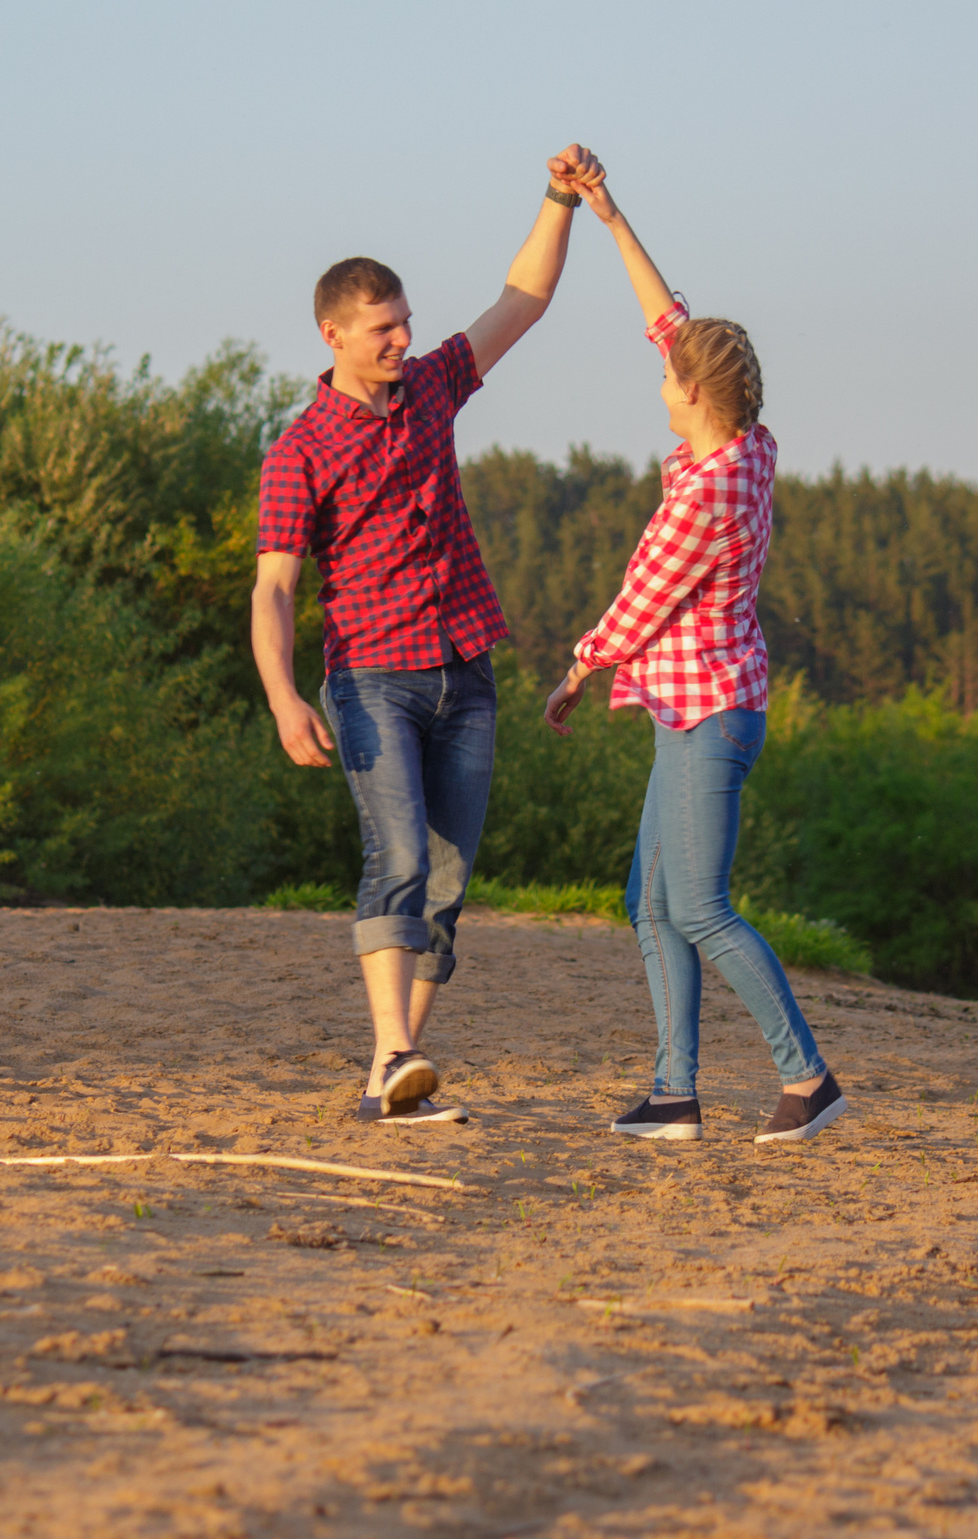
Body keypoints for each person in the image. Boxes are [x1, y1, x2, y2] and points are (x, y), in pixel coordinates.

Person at [254, 146, 601, 1125]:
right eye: (382, 328)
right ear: (333, 335)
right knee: (398, 856)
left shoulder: (435, 389)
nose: (404, 337)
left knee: (445, 887)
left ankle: (393, 1081)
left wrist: (557, 200)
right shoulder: (298, 451)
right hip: (370, 683)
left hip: (467, 672)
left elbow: (521, 300)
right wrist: (284, 698)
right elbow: (273, 589)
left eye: (405, 320)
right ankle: (394, 1050)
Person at [542, 160, 846, 1146]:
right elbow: (668, 318)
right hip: (697, 708)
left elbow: (636, 609)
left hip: (708, 718)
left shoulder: (705, 495)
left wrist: (578, 667)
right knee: (650, 901)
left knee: (702, 909)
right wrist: (610, 215)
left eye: (666, 373)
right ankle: (674, 1092)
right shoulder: (745, 445)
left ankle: (808, 1080)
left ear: (691, 395)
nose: (657, 376)